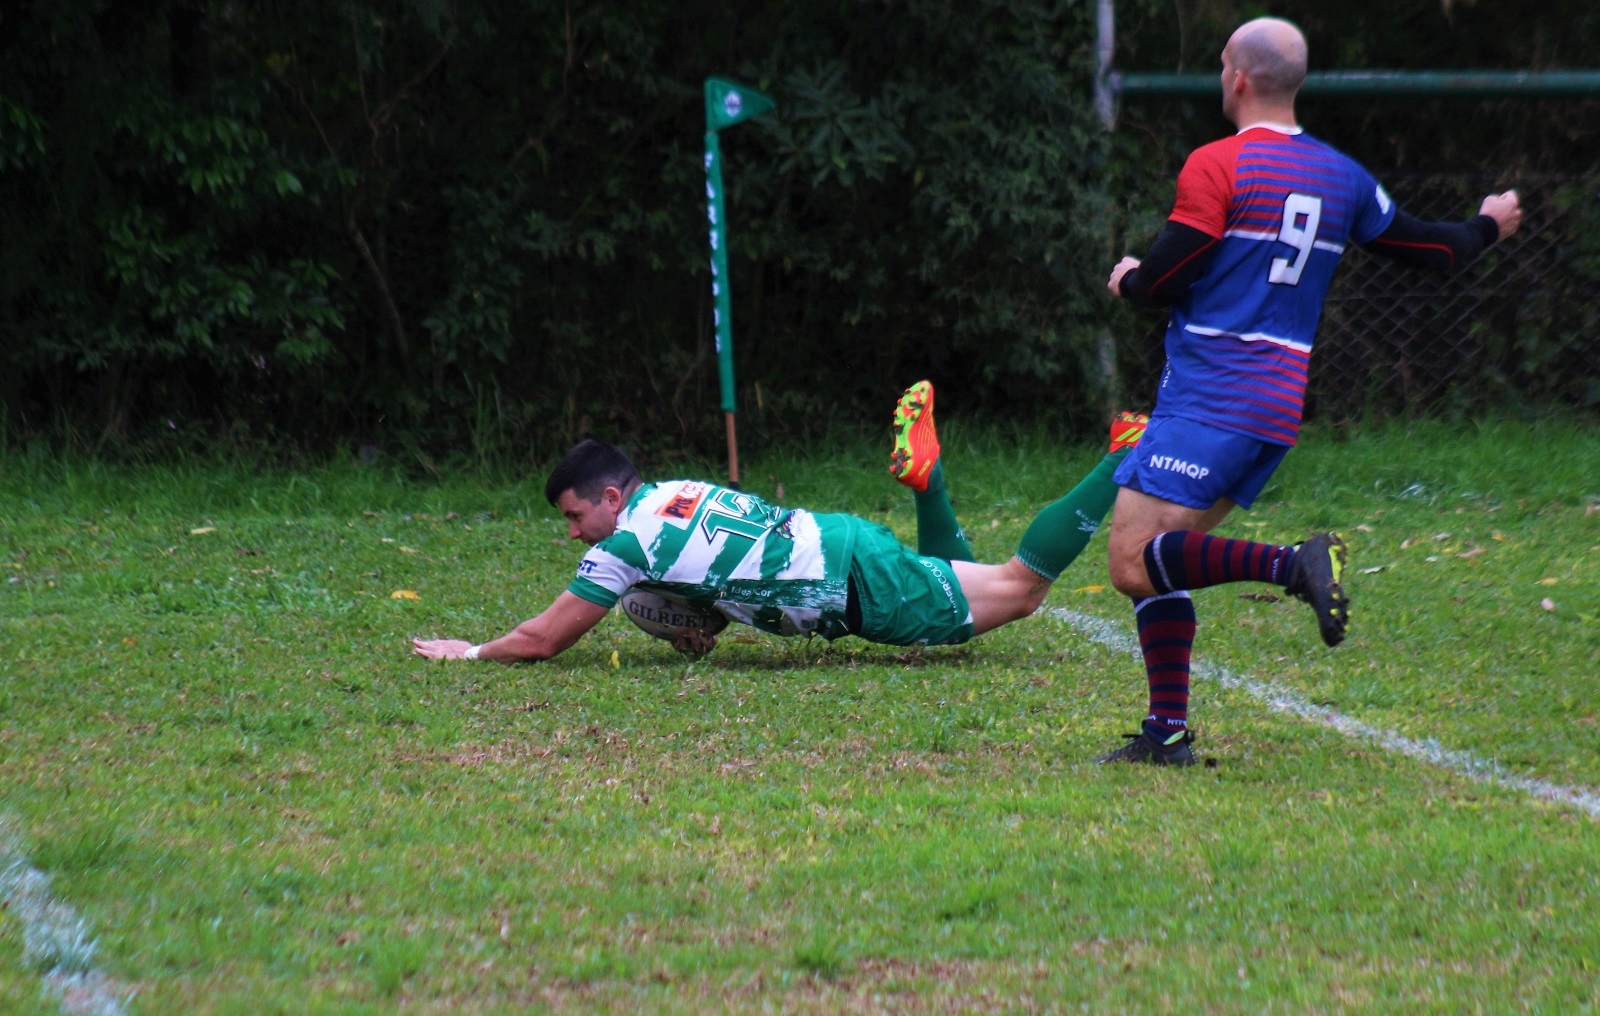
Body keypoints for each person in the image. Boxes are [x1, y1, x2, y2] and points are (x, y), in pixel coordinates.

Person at [1097, 16, 1523, 767]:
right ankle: (1165, 735)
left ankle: (1292, 564)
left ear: (1236, 77)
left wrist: (1130, 277)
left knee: (1133, 558)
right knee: (1165, 555)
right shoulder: (1341, 176)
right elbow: (1434, 248)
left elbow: (1171, 272)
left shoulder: (1217, 164)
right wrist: (1486, 225)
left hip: (1213, 397)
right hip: (1274, 406)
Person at [413, 382, 1146, 663]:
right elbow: (720, 574)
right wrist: (692, 623)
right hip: (839, 545)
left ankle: (1122, 457)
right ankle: (927, 481)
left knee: (1020, 591)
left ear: (609, 497)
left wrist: (472, 652)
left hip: (852, 586)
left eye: (575, 516)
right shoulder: (675, 492)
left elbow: (546, 639)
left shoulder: (624, 547)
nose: (573, 534)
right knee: (972, 586)